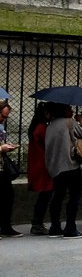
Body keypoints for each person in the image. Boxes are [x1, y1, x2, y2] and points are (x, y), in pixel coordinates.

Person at [43, 104, 82, 238]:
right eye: (70, 108)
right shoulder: (69, 122)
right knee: (75, 195)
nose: (72, 110)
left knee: (58, 196)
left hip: (55, 167)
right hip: (70, 165)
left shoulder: (50, 125)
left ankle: (55, 226)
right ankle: (70, 227)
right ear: (65, 110)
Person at [26, 102, 54, 235]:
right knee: (46, 194)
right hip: (43, 165)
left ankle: (37, 222)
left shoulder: (35, 127)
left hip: (37, 164)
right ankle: (37, 223)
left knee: (44, 195)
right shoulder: (42, 128)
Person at [0, 99, 21, 237]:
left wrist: (7, 146)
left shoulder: (1, 127)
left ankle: (6, 227)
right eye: (3, 116)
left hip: (2, 166)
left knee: (8, 196)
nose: (4, 119)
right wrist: (1, 147)